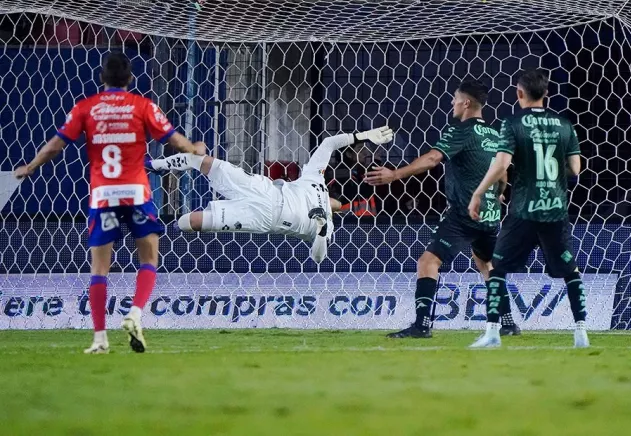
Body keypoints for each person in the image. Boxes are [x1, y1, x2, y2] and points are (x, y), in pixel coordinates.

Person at [14, 52, 202, 354]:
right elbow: (175, 141)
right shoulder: (142, 106)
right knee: (149, 259)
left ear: (102, 79)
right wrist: (196, 149)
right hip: (137, 194)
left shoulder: (86, 108)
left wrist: (31, 167)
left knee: (99, 268)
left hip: (103, 196)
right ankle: (136, 313)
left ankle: (100, 339)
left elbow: (55, 145)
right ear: (130, 79)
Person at [365, 79, 519, 338]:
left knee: (428, 262)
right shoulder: (495, 134)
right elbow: (502, 171)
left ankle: (422, 326)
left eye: (454, 98)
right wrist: (500, 194)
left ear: (466, 103)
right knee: (486, 264)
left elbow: (433, 158)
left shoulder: (460, 130)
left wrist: (395, 174)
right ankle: (507, 323)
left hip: (464, 214)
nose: (452, 102)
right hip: (491, 214)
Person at [467, 69, 588, 348]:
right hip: (556, 209)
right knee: (571, 272)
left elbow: (500, 165)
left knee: (497, 269)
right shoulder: (564, 124)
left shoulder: (512, 123)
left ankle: (493, 333)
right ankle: (581, 331)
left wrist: (478, 193)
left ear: (519, 93)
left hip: (523, 209)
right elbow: (575, 168)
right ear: (546, 94)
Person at [149, 126, 394, 264]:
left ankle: (155, 177)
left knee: (188, 221)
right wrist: (362, 137)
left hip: (264, 215)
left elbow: (319, 257)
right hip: (265, 191)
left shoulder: (325, 219)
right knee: (204, 162)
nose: (336, 205)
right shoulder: (315, 180)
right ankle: (155, 166)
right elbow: (328, 144)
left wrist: (320, 230)